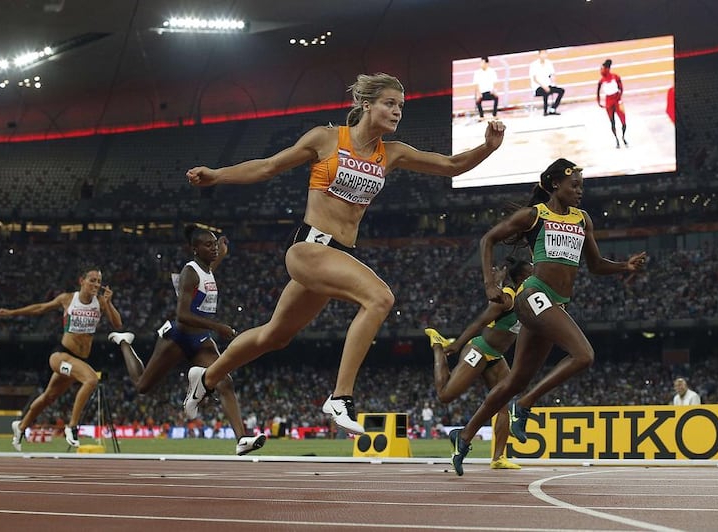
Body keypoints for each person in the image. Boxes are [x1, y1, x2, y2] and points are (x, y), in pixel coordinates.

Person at [184, 72, 506, 434]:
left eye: (401, 106)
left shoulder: (393, 153)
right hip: (308, 247)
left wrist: (488, 147)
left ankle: (206, 378)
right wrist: (217, 175)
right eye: (389, 103)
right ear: (366, 105)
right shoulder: (326, 139)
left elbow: (449, 165)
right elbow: (268, 166)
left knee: (275, 336)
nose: (397, 111)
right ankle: (341, 396)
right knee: (380, 297)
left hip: (336, 255)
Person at [447, 158, 647, 470]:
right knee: (584, 355)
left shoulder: (583, 220)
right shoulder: (535, 215)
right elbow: (488, 239)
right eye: (575, 186)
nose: (580, 192)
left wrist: (625, 266)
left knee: (515, 380)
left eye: (582, 186)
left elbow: (594, 265)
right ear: (556, 185)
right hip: (534, 294)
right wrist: (489, 284)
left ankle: (465, 434)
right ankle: (524, 407)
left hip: (555, 304)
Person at [108, 225, 266, 456]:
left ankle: (242, 438)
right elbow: (182, 315)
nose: (212, 249)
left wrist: (222, 250)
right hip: (178, 338)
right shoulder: (190, 272)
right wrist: (218, 326)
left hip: (201, 340)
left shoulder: (208, 269)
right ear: (194, 249)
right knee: (143, 386)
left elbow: (215, 263)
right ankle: (124, 343)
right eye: (208, 245)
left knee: (225, 382)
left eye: (214, 244)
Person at [0, 265, 123, 451]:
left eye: (98, 281)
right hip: (60, 356)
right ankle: (72, 427)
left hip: (77, 362)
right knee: (90, 379)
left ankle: (21, 426)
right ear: (82, 281)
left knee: (49, 397)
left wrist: (109, 303)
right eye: (92, 280)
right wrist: (12, 313)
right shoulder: (68, 299)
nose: (96, 284)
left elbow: (118, 324)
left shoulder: (100, 302)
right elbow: (40, 308)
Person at [425, 257, 533, 475]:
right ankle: (437, 346)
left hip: (497, 357)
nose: (535, 275)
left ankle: (499, 457)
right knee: (446, 395)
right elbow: (479, 322)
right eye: (531, 272)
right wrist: (456, 345)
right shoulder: (508, 299)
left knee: (503, 404)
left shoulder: (522, 298)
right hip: (480, 350)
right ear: (522, 277)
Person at [596, 59, 627, 148]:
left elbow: (621, 88)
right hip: (609, 102)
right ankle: (617, 140)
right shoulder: (601, 81)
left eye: (602, 69)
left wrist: (619, 98)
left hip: (617, 100)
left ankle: (623, 137)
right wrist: (599, 102)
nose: (601, 71)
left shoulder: (616, 77)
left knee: (623, 122)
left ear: (607, 69)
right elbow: (597, 92)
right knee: (612, 122)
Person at [529, 50, 565, 116]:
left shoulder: (549, 63)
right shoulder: (534, 65)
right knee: (545, 91)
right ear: (539, 54)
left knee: (561, 91)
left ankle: (553, 109)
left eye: (545, 53)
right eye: (542, 54)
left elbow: (552, 74)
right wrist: (544, 86)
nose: (544, 55)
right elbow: (534, 79)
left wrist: (553, 78)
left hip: (548, 85)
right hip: (538, 87)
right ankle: (545, 111)